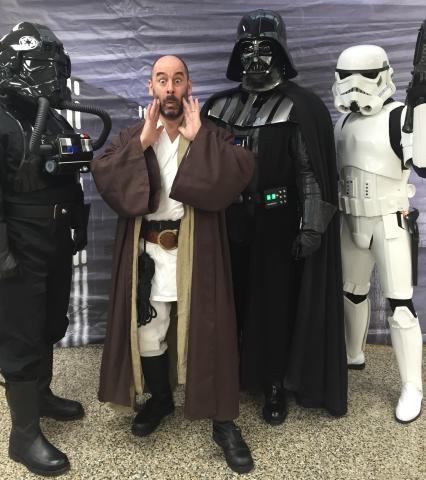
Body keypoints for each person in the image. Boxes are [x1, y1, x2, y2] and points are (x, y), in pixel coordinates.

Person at [91, 55, 255, 474]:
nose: (169, 89)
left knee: (210, 333)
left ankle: (223, 423)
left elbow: (241, 171)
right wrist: (142, 144)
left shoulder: (209, 133)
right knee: (149, 334)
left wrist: (201, 142)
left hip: (197, 254)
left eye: (177, 80)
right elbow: (104, 173)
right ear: (150, 88)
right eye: (161, 80)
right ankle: (161, 400)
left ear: (188, 86)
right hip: (149, 255)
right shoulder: (134, 136)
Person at [203, 9, 347, 424]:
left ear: (280, 53)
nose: (255, 57)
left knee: (273, 306)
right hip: (228, 224)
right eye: (247, 49)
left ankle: (272, 384)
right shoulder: (219, 106)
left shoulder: (300, 106)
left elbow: (310, 170)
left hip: (278, 221)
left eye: (265, 48)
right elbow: (205, 168)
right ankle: (231, 375)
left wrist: (312, 225)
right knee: (230, 303)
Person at [0, 22, 97, 476]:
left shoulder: (53, 115)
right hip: (19, 245)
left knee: (50, 318)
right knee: (21, 333)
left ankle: (41, 396)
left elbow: (70, 172)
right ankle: (22, 436)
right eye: (47, 67)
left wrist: (76, 225)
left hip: (55, 238)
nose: (55, 76)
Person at [333, 44, 425, 423]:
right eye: (346, 77)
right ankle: (352, 354)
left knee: (400, 305)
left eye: (365, 76)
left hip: (388, 220)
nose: (355, 86)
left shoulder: (400, 117)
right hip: (348, 218)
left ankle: (412, 386)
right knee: (351, 293)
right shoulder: (340, 122)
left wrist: (420, 110)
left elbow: (422, 162)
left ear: (383, 74)